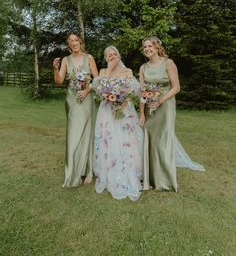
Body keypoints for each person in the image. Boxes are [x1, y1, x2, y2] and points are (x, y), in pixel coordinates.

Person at [139, 36, 205, 192]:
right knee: (150, 140)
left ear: (157, 47)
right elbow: (142, 92)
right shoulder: (143, 68)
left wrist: (160, 101)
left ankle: (165, 181)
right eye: (145, 47)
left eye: (150, 46)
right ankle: (149, 179)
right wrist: (141, 113)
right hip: (149, 107)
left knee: (163, 141)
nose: (147, 49)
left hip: (165, 107)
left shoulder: (168, 63)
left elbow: (176, 87)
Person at [93, 46, 143, 201]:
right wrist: (109, 69)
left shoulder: (127, 71)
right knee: (108, 139)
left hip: (124, 110)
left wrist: (123, 102)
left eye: (114, 54)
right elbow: (99, 90)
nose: (112, 57)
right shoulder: (102, 72)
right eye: (109, 55)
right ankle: (108, 172)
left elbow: (134, 90)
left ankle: (132, 170)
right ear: (106, 58)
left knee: (127, 139)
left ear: (119, 56)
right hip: (107, 111)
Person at [53, 31, 98, 187]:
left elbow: (97, 79)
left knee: (87, 132)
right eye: (71, 41)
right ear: (69, 44)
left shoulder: (89, 58)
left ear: (80, 41)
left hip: (86, 99)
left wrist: (86, 90)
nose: (74, 43)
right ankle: (73, 171)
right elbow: (59, 81)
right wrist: (56, 68)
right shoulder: (66, 60)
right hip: (72, 100)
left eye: (76, 40)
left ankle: (88, 171)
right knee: (73, 134)